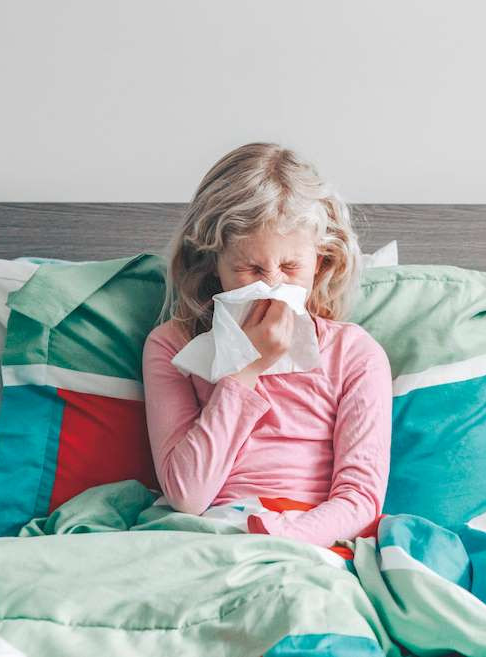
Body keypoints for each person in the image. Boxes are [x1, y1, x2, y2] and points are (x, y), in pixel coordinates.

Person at [142, 142, 392, 548]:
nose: (272, 285)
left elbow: (360, 499)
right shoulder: (173, 346)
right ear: (213, 264)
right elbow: (187, 495)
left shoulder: (355, 355)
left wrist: (281, 537)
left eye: (291, 267)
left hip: (307, 539)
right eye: (251, 268)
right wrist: (247, 370)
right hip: (206, 535)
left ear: (321, 262)